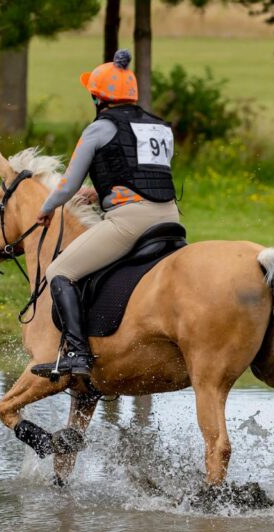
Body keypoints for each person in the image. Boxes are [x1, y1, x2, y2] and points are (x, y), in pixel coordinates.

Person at [30, 49, 181, 380]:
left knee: (59, 270)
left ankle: (78, 354)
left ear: (98, 98)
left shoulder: (99, 129)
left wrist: (46, 208)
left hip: (130, 222)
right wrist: (99, 192)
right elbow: (143, 173)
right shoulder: (160, 128)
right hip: (171, 218)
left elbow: (68, 184)